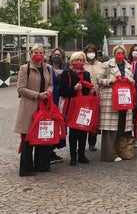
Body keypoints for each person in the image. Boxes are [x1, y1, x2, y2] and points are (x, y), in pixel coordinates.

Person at [13, 44, 53, 176]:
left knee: (42, 135)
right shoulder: (25, 68)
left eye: (41, 52)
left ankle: (41, 165)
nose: (39, 54)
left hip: (44, 106)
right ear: (31, 53)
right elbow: (20, 88)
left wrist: (48, 92)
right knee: (27, 138)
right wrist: (37, 95)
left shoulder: (48, 68)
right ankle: (26, 168)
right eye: (36, 52)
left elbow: (51, 84)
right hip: (29, 106)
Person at [97, 45, 135, 162]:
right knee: (110, 128)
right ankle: (110, 154)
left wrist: (130, 81)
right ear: (114, 54)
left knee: (122, 126)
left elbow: (133, 80)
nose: (120, 54)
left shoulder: (128, 66)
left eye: (122, 52)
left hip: (124, 98)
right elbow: (98, 80)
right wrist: (110, 81)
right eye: (118, 52)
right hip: (110, 99)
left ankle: (121, 150)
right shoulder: (107, 65)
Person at [58, 52, 93, 165]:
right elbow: (62, 91)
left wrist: (90, 90)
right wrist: (74, 88)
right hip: (72, 106)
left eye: (81, 60)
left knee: (83, 131)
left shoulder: (86, 74)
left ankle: (81, 154)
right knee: (73, 132)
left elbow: (87, 89)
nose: (79, 62)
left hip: (83, 106)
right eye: (77, 59)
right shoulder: (67, 73)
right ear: (72, 61)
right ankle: (73, 156)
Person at [48, 48, 66, 164]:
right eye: (55, 54)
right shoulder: (47, 69)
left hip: (61, 101)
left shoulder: (65, 70)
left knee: (59, 125)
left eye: (59, 55)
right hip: (50, 100)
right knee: (50, 123)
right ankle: (48, 150)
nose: (56, 56)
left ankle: (52, 150)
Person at [83, 44, 103, 151]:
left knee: (95, 120)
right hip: (86, 96)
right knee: (85, 118)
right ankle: (82, 141)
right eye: (89, 51)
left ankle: (92, 142)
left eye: (92, 51)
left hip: (98, 95)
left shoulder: (100, 65)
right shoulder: (83, 64)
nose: (91, 53)